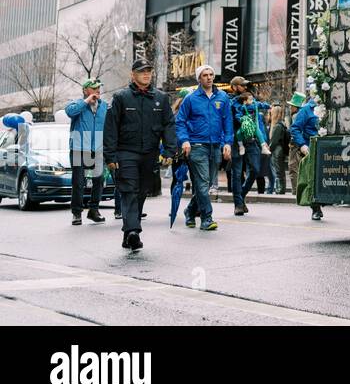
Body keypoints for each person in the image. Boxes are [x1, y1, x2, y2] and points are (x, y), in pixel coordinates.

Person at [104, 59, 177, 252]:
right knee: (129, 190)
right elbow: (110, 128)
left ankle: (128, 234)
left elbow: (169, 124)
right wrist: (110, 157)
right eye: (142, 71)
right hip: (125, 152)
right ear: (133, 75)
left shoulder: (161, 98)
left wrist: (169, 150)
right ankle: (134, 231)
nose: (146, 74)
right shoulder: (121, 97)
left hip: (149, 154)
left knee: (142, 191)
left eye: (149, 71)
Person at [174, 64, 232, 231]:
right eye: (205, 75)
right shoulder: (191, 99)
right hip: (197, 146)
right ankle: (206, 218)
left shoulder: (222, 97)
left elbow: (227, 121)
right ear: (199, 79)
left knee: (205, 185)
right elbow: (180, 121)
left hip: (215, 146)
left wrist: (227, 142)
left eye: (211, 74)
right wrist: (185, 140)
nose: (209, 77)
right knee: (202, 182)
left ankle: (190, 211)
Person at [66, 78, 108, 226]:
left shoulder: (104, 106)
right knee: (78, 182)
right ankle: (77, 213)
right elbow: (69, 112)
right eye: (94, 87)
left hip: (97, 147)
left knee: (99, 179)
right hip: (79, 147)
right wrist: (86, 101)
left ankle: (93, 210)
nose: (98, 90)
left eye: (99, 87)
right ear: (85, 90)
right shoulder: (77, 104)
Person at [230, 79, 270, 215]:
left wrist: (263, 140)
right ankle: (239, 204)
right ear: (234, 87)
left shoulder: (252, 101)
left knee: (255, 169)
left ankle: (241, 196)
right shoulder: (231, 102)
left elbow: (259, 122)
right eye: (242, 85)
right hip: (237, 140)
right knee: (236, 173)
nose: (245, 87)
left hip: (252, 140)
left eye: (246, 85)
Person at [289, 91, 323, 221]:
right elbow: (295, 128)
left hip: (326, 148)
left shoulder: (329, 107)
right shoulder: (306, 110)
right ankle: (316, 208)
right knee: (312, 178)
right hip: (311, 148)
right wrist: (302, 145)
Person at [268, 104, 290, 194]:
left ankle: (279, 189)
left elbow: (274, 141)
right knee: (280, 170)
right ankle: (281, 189)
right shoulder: (282, 124)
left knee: (277, 171)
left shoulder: (277, 126)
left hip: (277, 150)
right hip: (280, 150)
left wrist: (269, 148)